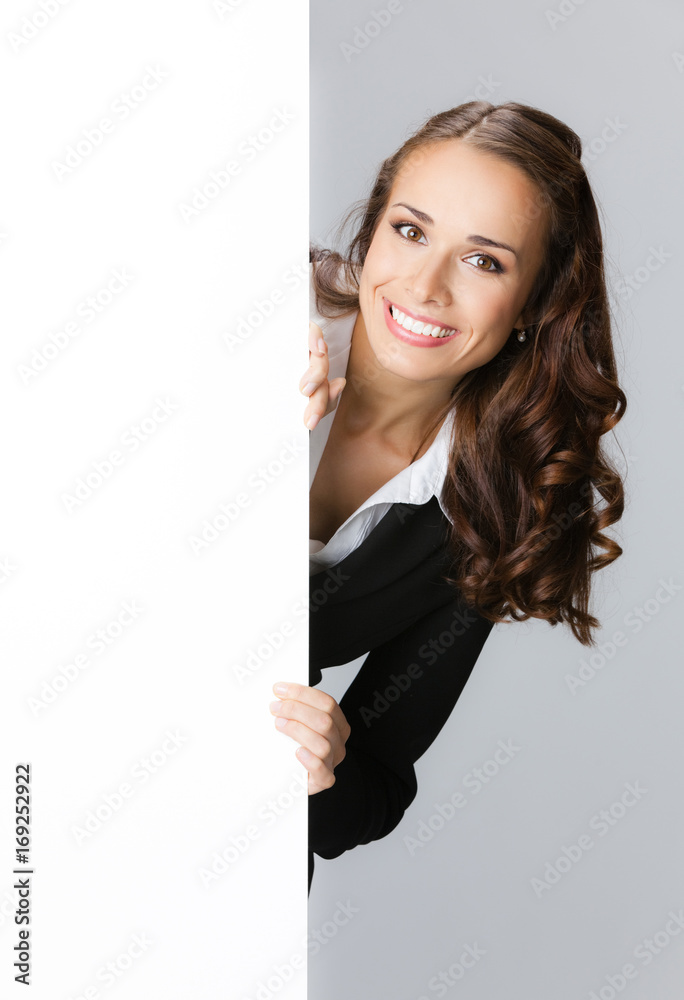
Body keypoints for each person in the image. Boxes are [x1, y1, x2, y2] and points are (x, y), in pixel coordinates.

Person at [267, 101, 627, 894]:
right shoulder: (234, 317)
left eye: (485, 261)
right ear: (371, 232)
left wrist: (325, 766)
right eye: (410, 230)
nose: (425, 287)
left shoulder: (494, 504)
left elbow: (374, 792)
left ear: (535, 302)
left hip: (232, 855)